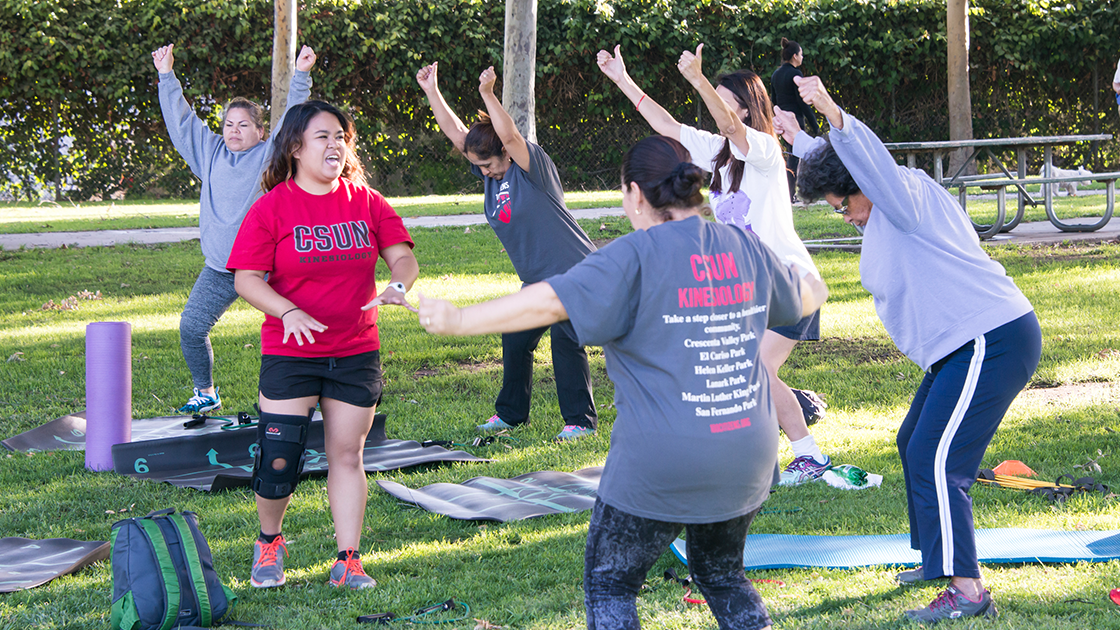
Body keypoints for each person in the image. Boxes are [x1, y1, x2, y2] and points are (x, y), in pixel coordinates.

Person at [417, 135, 829, 630]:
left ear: (636, 194)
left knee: (611, 581)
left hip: (663, 458)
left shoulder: (631, 256)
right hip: (748, 452)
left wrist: (460, 319)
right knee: (721, 575)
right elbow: (810, 293)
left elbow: (550, 300)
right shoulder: (742, 245)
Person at [788, 75, 1041, 623]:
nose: (847, 216)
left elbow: (866, 163)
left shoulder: (901, 198)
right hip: (963, 343)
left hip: (989, 337)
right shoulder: (883, 199)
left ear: (866, 183)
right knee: (913, 442)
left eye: (843, 205)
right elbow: (844, 166)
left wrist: (833, 110)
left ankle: (968, 591)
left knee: (938, 455)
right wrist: (798, 139)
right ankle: (937, 561)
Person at [596, 43, 832, 485]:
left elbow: (727, 122)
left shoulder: (760, 149)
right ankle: (764, 450)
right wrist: (621, 79)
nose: (716, 108)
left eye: (726, 100)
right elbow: (665, 124)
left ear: (746, 111)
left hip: (790, 285)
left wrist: (698, 79)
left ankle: (809, 457)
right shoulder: (713, 151)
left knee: (754, 370)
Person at [226, 100, 419, 590]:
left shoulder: (367, 202)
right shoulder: (271, 208)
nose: (335, 146)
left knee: (347, 454)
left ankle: (347, 558)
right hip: (291, 350)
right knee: (279, 455)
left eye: (341, 137)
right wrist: (287, 311)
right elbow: (247, 279)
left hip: (355, 348)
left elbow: (401, 258)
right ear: (295, 147)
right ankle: (269, 542)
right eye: (322, 137)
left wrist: (399, 284)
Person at [415, 62, 598, 441]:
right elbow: (457, 136)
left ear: (505, 155)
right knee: (515, 339)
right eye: (477, 167)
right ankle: (511, 414)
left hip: (575, 272)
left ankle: (580, 422)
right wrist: (432, 90)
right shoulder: (490, 176)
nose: (482, 173)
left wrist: (487, 94)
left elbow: (511, 135)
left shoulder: (532, 170)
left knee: (567, 340)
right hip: (536, 280)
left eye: (487, 165)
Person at [152, 43, 316, 414]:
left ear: (261, 131)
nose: (234, 131)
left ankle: (313, 393)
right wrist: (166, 75)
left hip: (269, 267)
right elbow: (181, 122)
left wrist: (301, 74)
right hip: (221, 268)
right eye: (229, 124)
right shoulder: (208, 153)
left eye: (244, 125)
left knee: (301, 326)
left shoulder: (270, 155)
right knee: (191, 328)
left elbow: (292, 115)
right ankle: (205, 391)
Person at [770, 38, 819, 203]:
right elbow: (802, 102)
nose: (802, 57)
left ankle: (788, 194)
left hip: (781, 120)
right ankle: (790, 195)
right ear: (795, 56)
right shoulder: (795, 74)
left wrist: (777, 118)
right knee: (795, 157)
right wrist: (814, 124)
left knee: (790, 156)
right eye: (801, 54)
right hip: (795, 120)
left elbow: (774, 100)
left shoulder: (776, 74)